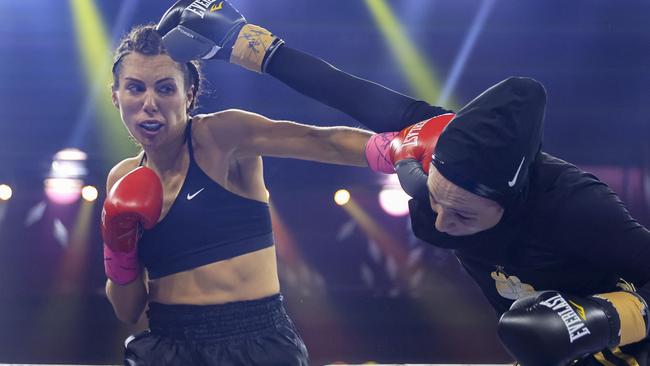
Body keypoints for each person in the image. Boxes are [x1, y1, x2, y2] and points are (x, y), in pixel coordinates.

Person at [156, 1, 650, 365]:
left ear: (510, 202)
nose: (441, 221)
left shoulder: (579, 208)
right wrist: (243, 41)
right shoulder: (442, 141)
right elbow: (348, 91)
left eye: (462, 214)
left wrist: (606, 317)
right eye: (435, 199)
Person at [102, 22, 374, 365]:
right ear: (116, 95)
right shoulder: (121, 178)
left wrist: (399, 149)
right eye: (135, 88)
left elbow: (322, 142)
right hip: (166, 347)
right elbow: (127, 310)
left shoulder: (220, 138)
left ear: (189, 94)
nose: (150, 103)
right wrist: (118, 246)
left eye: (166, 88)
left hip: (253, 344)